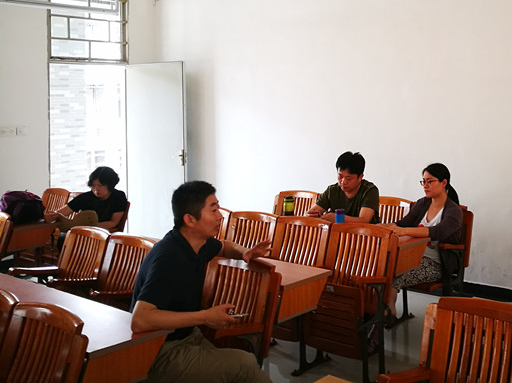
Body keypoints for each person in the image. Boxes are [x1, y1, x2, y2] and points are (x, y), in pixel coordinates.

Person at [130, 180, 272, 383]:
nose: (220, 216)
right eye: (213, 210)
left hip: (187, 337)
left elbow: (224, 246)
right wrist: (205, 316)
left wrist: (245, 253)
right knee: (245, 363)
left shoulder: (196, 243)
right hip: (159, 351)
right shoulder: (170, 257)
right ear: (190, 219)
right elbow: (140, 319)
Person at [380, 163, 463, 326]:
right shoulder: (423, 203)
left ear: (444, 183)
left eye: (429, 181)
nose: (425, 185)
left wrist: (405, 231)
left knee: (394, 274)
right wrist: (382, 227)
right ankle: (381, 311)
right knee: (383, 267)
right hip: (412, 256)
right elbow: (403, 224)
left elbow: (437, 232)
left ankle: (388, 311)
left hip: (436, 263)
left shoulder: (454, 211)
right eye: (423, 181)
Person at [44, 166, 127, 231]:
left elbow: (113, 222)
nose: (96, 189)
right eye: (93, 186)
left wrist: (89, 228)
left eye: (100, 186)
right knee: (63, 238)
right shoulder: (86, 197)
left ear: (110, 184)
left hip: (104, 232)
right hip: (83, 232)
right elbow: (61, 213)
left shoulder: (118, 196)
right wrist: (52, 216)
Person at [306, 151, 380, 224]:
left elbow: (364, 220)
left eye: (348, 178)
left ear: (360, 177)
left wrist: (338, 218)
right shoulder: (332, 190)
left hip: (364, 231)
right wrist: (310, 214)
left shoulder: (370, 191)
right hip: (337, 231)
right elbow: (313, 211)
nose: (343, 182)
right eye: (340, 176)